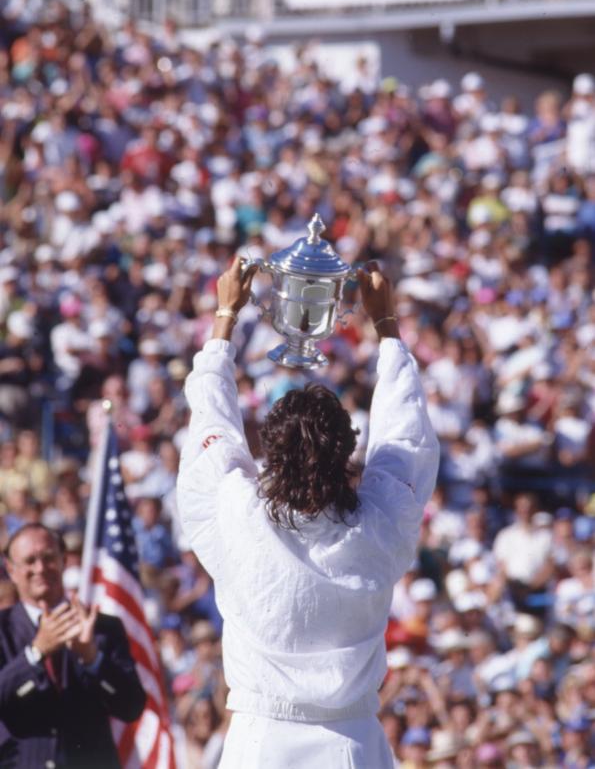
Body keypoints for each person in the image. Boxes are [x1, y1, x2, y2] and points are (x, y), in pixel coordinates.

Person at [177, 256, 439, 768]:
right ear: (347, 453)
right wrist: (386, 324)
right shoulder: (382, 524)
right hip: (353, 745)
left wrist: (225, 317)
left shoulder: (239, 516)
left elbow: (210, 420)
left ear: (270, 455)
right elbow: (406, 436)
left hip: (259, 746)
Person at [0, 523, 146, 768]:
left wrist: (93, 659)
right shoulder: (2, 630)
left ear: (64, 560)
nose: (40, 568)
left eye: (48, 557)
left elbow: (132, 706)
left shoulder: (102, 626)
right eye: (30, 560)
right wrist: (35, 654)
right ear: (11, 570)